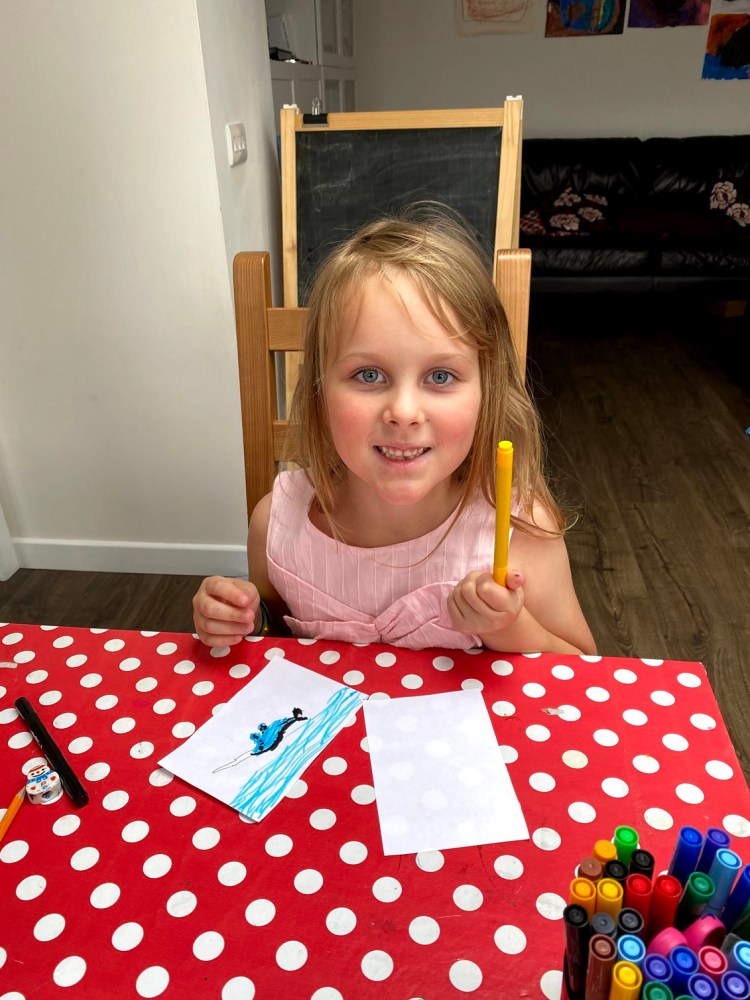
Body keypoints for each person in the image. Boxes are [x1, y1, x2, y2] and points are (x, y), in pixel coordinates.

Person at [192, 206, 596, 655]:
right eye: (369, 375)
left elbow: (580, 667)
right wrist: (243, 619)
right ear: (320, 393)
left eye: (440, 376)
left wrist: (511, 628)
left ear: (488, 394)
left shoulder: (520, 529)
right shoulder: (277, 524)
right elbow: (274, 636)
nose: (403, 413)